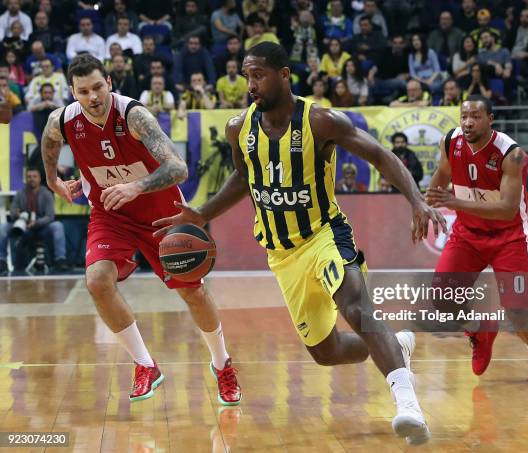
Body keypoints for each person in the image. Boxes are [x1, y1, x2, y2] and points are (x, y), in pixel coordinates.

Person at [153, 42, 446, 445]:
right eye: (246, 76)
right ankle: (395, 346)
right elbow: (243, 177)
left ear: (284, 74)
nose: (251, 84)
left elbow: (379, 155)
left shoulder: (319, 120)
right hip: (282, 253)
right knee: (325, 352)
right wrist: (203, 213)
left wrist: (415, 199)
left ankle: (408, 405)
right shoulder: (239, 128)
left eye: (258, 75)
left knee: (358, 309)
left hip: (326, 234)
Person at [40, 54, 241, 405]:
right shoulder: (64, 119)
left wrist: (137, 186)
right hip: (110, 214)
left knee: (192, 293)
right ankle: (145, 365)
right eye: (84, 91)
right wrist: (52, 179)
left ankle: (222, 364)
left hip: (161, 214)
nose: (93, 97)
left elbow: (178, 169)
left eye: (98, 87)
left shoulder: (134, 115)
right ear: (72, 92)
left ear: (110, 84)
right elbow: (49, 139)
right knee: (97, 281)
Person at [425, 95, 528, 384]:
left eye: (476, 116)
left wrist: (455, 204)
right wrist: (423, 209)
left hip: (509, 237)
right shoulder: (451, 141)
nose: (468, 122)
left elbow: (507, 210)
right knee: (442, 298)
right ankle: (481, 329)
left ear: (490, 119)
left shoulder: (512, 154)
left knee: (517, 310)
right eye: (464, 116)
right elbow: (442, 175)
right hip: (468, 235)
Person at [0, 168, 68, 273]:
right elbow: (13, 212)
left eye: (34, 176)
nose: (32, 179)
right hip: (23, 227)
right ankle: (2, 261)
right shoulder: (20, 194)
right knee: (3, 227)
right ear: (26, 179)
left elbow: (50, 216)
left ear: (40, 178)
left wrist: (36, 222)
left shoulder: (46, 194)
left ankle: (60, 260)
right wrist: (17, 214)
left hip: (41, 227)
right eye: (29, 177)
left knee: (57, 226)